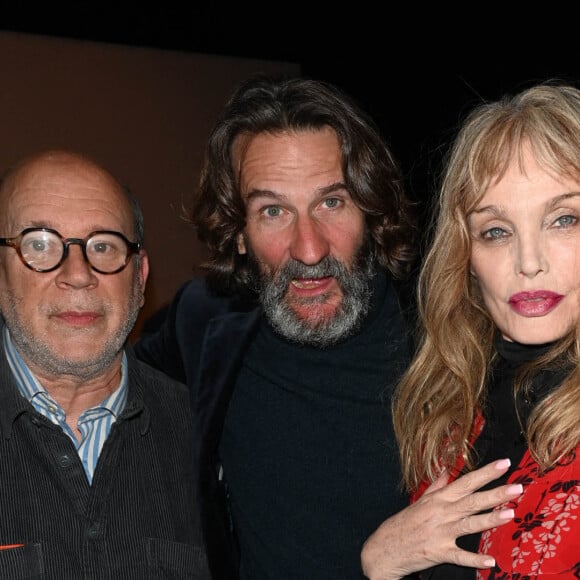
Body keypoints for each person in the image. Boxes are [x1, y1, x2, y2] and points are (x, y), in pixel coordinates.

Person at [134, 73, 420, 580]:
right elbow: (91, 391)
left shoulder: (443, 341)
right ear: (238, 233)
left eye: (332, 202)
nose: (308, 248)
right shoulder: (203, 326)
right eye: (272, 211)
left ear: (371, 212)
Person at [362, 82, 580, 579]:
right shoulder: (448, 418)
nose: (529, 263)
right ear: (466, 259)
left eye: (564, 219)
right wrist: (380, 563)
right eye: (496, 231)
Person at [0, 149, 210, 579]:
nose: (78, 274)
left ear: (141, 275)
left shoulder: (207, 439)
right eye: (39, 244)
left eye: (104, 246)